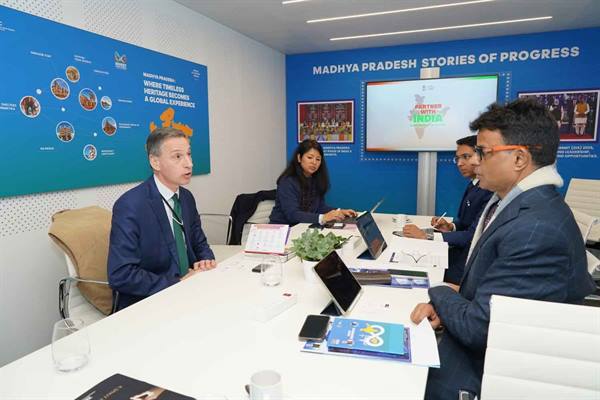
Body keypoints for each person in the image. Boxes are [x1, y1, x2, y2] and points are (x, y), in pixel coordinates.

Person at [410, 99, 596, 400]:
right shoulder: (520, 205)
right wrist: (453, 300)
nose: (476, 163)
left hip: (485, 370)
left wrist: (440, 292)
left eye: (483, 153)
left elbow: (478, 329)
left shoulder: (535, 230)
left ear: (519, 158)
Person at [108, 127, 216, 310]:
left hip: (191, 291)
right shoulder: (130, 205)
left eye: (189, 154)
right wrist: (177, 284)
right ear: (155, 162)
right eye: (178, 156)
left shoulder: (186, 198)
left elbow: (199, 243)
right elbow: (121, 274)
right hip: (150, 301)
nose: (189, 164)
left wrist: (206, 261)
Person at [402, 135, 492, 284]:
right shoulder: (474, 184)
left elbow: (473, 235)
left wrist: (428, 237)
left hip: (466, 263)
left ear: (481, 156)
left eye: (466, 157)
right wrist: (450, 227)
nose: (460, 163)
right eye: (457, 158)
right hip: (458, 253)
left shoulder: (488, 190)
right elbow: (466, 223)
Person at [269, 139, 356, 225]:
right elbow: (292, 214)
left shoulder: (315, 180)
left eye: (318, 159)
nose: (314, 162)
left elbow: (319, 207)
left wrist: (339, 212)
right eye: (310, 157)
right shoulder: (287, 181)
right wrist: (323, 218)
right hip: (282, 228)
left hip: (302, 227)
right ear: (299, 158)